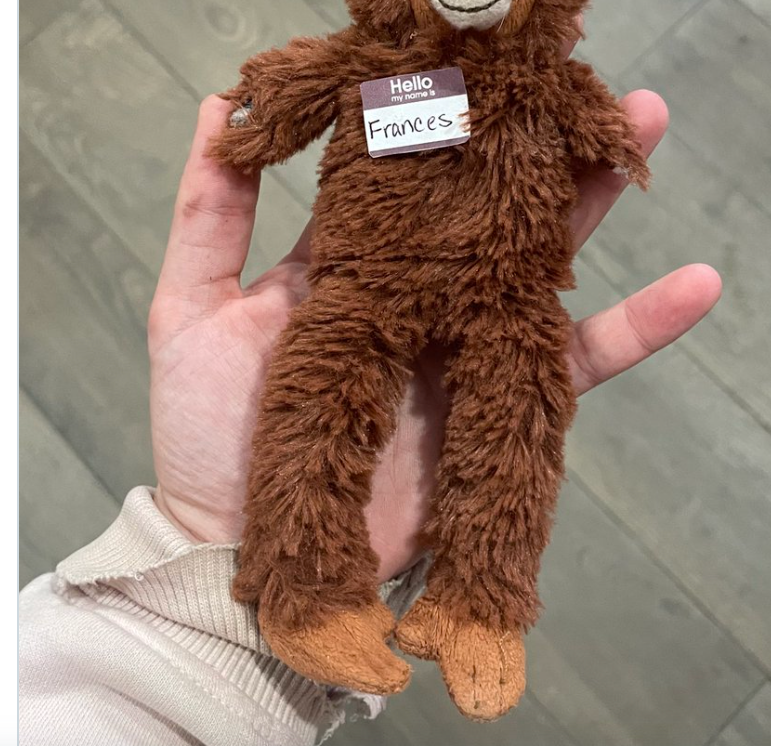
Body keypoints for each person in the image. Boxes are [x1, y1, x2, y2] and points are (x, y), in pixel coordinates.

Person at [19, 87, 721, 745]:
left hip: (506, 294)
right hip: (365, 281)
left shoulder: (539, 83)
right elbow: (289, 97)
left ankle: (478, 606)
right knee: (316, 403)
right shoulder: (378, 71)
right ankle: (308, 593)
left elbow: (596, 129)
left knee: (518, 426)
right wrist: (266, 110)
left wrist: (593, 128)